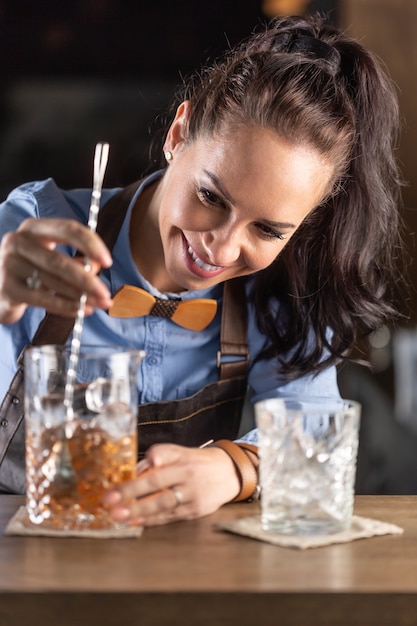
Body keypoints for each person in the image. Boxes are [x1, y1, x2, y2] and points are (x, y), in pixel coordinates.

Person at [0, 14, 406, 526]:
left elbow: (315, 435)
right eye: (210, 196)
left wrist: (232, 468)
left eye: (268, 230)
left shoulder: (283, 288)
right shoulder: (37, 227)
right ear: (178, 133)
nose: (221, 246)